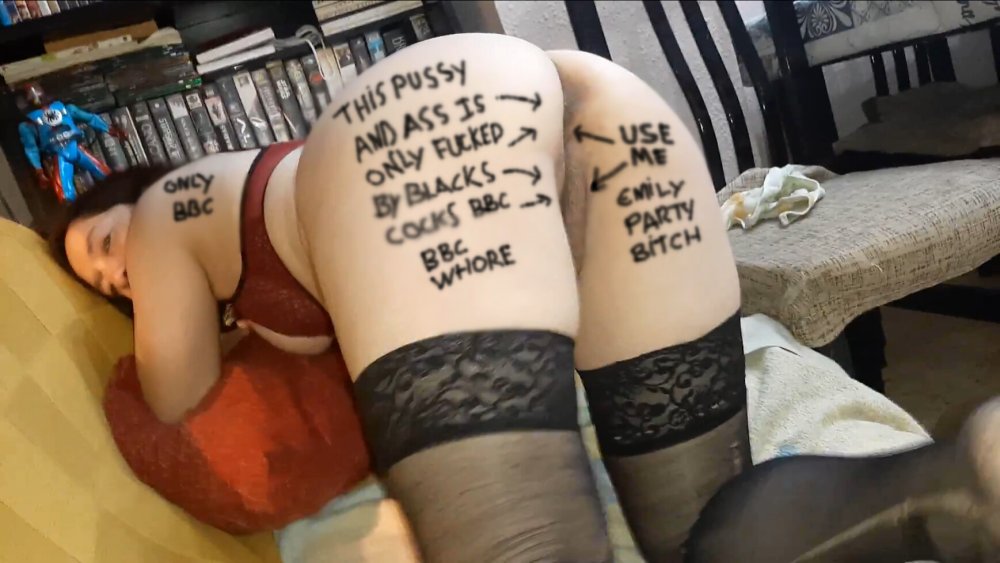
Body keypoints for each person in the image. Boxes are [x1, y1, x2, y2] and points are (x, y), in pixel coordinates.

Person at [48, 32, 1000, 562]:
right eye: (102, 289)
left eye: (101, 244)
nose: (118, 275)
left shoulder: (171, 210)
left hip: (426, 132)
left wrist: (140, 364)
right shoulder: (277, 212)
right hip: (601, 106)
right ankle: (947, 482)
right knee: (701, 531)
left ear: (128, 192)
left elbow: (178, 405)